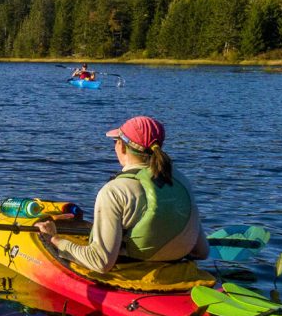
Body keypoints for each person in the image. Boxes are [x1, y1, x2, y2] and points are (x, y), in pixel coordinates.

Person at [35, 116, 209, 274]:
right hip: (178, 272)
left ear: (122, 146)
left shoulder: (114, 191)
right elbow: (201, 251)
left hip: (130, 275)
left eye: (115, 141)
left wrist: (55, 239)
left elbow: (100, 262)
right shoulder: (182, 181)